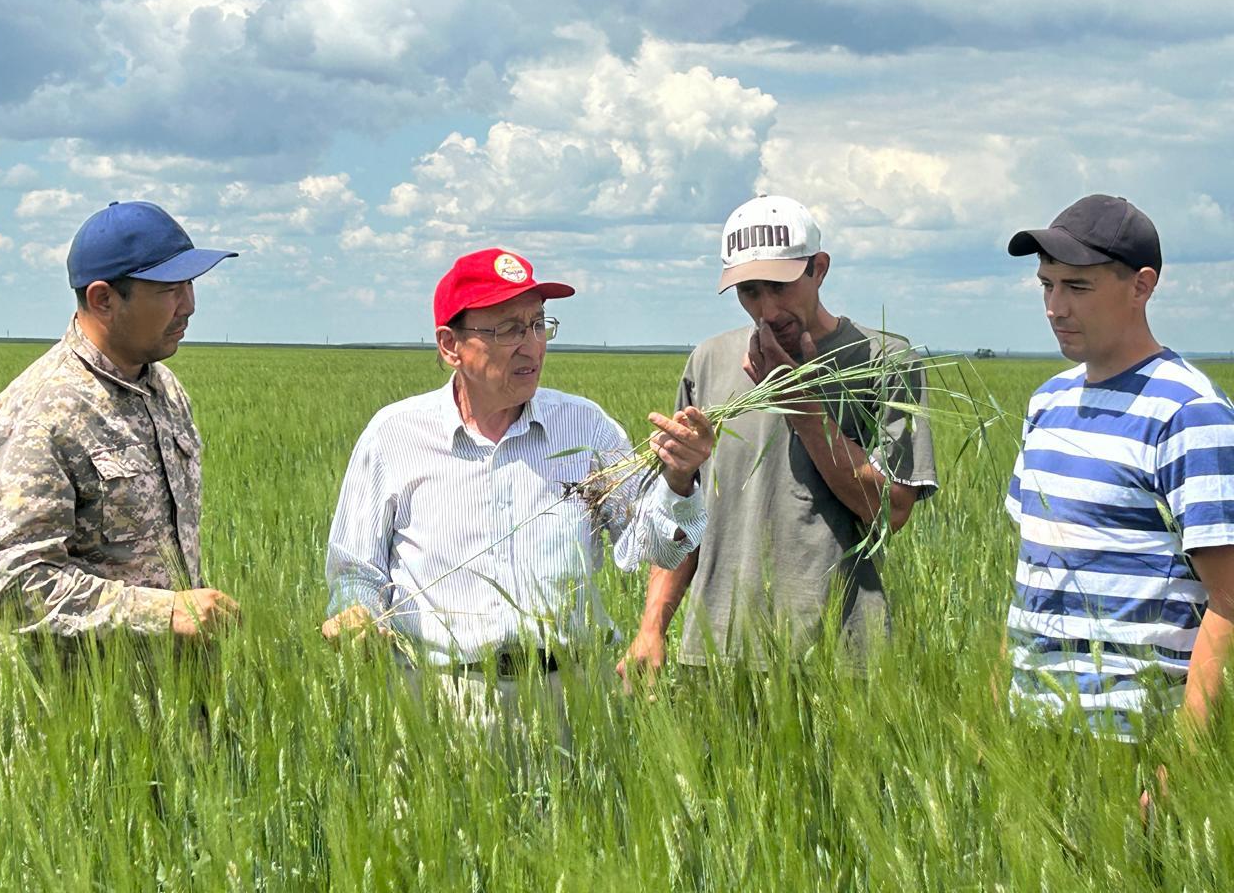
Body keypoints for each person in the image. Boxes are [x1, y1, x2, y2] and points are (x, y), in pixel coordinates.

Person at [320, 248, 713, 740]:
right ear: (450, 345)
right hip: (441, 702)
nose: (532, 346)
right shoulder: (394, 435)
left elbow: (653, 547)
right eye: (508, 329)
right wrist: (357, 612)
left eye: (538, 324)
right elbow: (356, 571)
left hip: (573, 698)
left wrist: (679, 479)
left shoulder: (585, 427)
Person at [619, 195, 938, 685]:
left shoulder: (885, 362)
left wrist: (802, 407)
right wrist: (652, 627)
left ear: (819, 269)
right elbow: (686, 512)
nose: (766, 309)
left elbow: (891, 511)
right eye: (749, 291)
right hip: (715, 651)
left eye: (780, 286)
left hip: (839, 656)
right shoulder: (709, 361)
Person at [1003, 194, 1234, 748]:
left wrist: (1184, 763)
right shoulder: (1046, 402)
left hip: (1136, 741)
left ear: (1141, 286)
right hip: (1030, 732)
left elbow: (1229, 601)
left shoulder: (1189, 413)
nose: (1055, 307)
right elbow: (1032, 573)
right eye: (1046, 285)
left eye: (1077, 287)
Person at [0, 200, 241, 643]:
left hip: (171, 684)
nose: (189, 305)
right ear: (103, 299)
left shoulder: (165, 390)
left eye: (190, 284)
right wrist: (162, 612)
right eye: (171, 289)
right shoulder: (41, 412)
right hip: (75, 686)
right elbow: (5, 587)